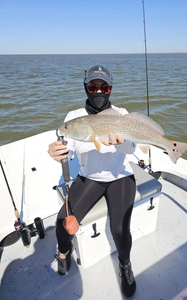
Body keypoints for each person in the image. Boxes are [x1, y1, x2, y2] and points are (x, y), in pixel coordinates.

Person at [48, 65, 137, 298]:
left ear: (110, 89)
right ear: (86, 87)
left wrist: (121, 142)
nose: (98, 92)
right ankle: (64, 253)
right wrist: (58, 152)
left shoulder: (121, 113)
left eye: (104, 87)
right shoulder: (73, 119)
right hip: (89, 178)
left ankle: (125, 265)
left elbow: (131, 148)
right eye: (93, 86)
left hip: (120, 176)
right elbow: (68, 150)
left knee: (119, 228)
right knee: (61, 222)